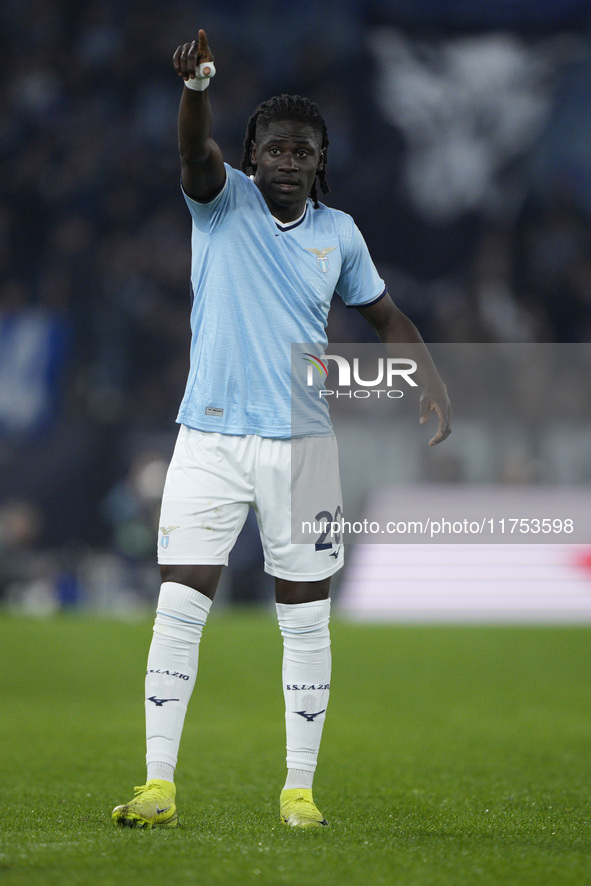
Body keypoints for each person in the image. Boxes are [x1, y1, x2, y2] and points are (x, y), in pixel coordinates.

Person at [112, 29, 452, 831]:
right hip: (208, 439)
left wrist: (428, 374)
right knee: (179, 602)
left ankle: (298, 790)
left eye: (303, 151)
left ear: (319, 162)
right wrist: (196, 89)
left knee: (303, 615)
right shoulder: (219, 199)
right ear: (251, 156)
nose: (288, 161)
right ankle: (158, 782)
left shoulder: (340, 235)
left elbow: (386, 316)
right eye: (274, 148)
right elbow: (194, 154)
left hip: (304, 449)